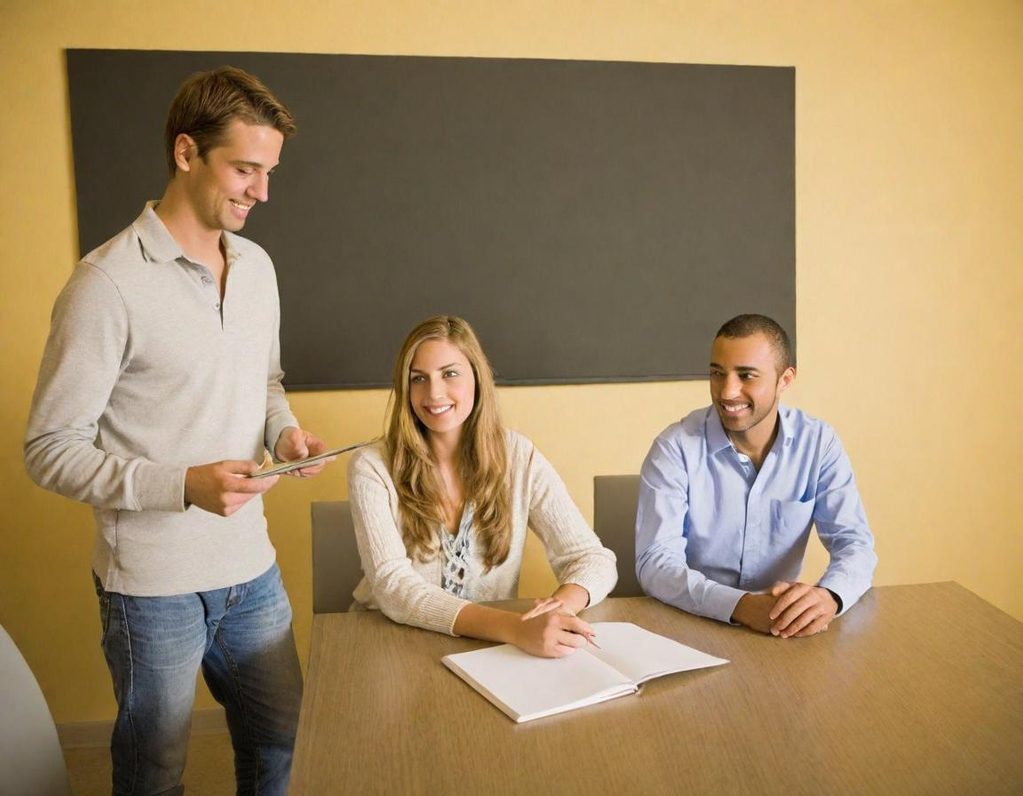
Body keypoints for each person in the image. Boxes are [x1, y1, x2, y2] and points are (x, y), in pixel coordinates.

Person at [24, 66, 329, 795]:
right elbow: (48, 448)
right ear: (187, 152)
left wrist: (284, 435)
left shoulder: (257, 267)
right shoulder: (105, 285)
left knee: (285, 742)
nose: (262, 191)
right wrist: (181, 485)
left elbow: (264, 382)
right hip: (150, 587)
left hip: (250, 570)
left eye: (269, 171)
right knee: (154, 773)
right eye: (245, 169)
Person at [347, 315, 618, 657]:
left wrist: (559, 609)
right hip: (389, 644)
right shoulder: (370, 467)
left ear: (477, 377)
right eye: (419, 379)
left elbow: (592, 558)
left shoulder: (519, 456)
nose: (434, 393)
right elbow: (393, 587)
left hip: (488, 650)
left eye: (450, 374)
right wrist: (515, 628)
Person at [635, 314, 877, 638]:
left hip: (780, 630)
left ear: (785, 379)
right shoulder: (674, 448)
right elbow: (655, 564)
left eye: (746, 375)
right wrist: (740, 606)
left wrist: (828, 597)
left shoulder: (819, 444)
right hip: (692, 627)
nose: (727, 391)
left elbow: (856, 545)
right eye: (717, 374)